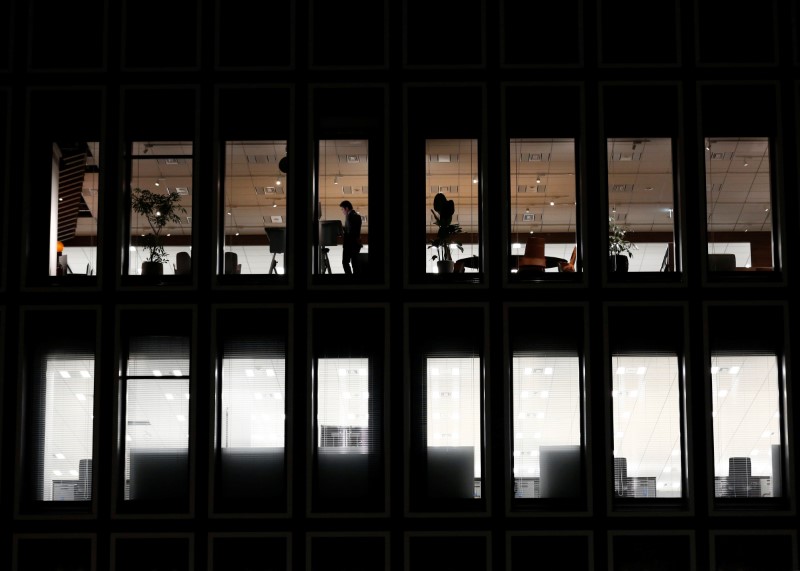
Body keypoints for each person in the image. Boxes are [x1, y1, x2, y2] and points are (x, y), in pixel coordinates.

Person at [339, 200, 362, 275]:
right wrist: (344, 228)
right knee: (355, 264)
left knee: (345, 262)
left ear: (346, 208)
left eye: (342, 209)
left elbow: (350, 232)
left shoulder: (349, 216)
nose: (342, 211)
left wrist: (342, 230)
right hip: (356, 244)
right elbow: (353, 230)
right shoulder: (357, 216)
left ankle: (349, 279)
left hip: (349, 244)